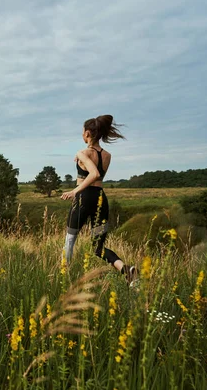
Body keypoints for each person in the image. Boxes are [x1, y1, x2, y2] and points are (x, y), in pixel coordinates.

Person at [60, 115, 137, 284]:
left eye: (82, 131)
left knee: (70, 240)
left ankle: (64, 278)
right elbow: (97, 172)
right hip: (100, 199)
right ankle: (127, 271)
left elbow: (93, 174)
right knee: (98, 247)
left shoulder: (83, 153)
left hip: (84, 198)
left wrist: (75, 191)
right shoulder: (107, 155)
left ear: (87, 133)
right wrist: (81, 158)